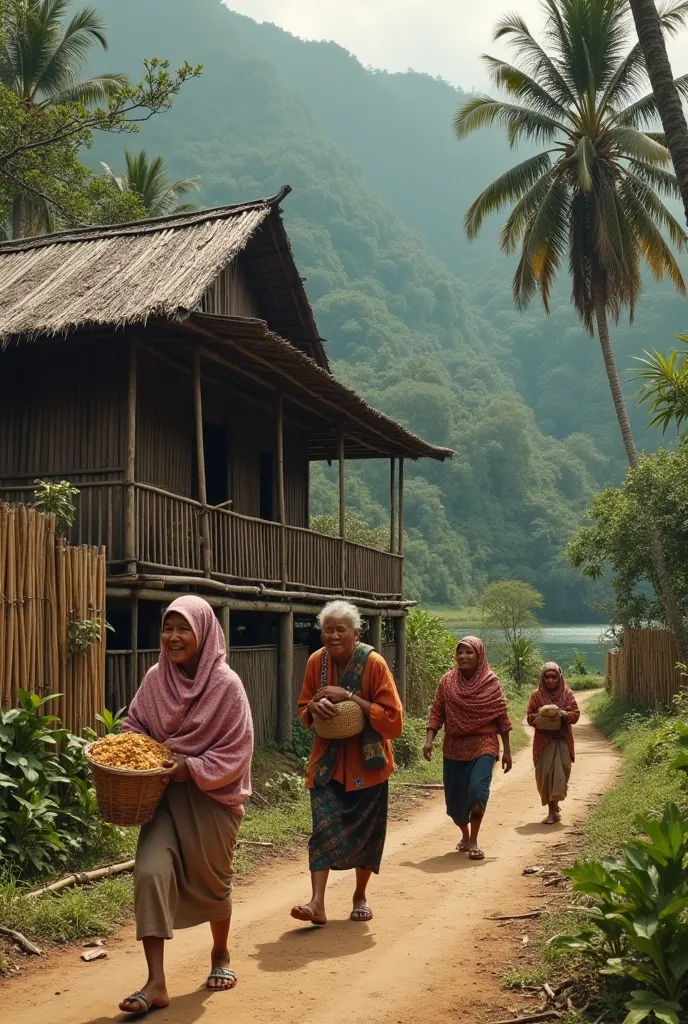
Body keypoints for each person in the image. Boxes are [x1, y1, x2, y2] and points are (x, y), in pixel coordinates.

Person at [118, 595, 254, 1016]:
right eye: (167, 628)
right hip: (161, 795)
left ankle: (220, 953)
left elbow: (238, 751)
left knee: (213, 883)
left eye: (183, 629)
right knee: (149, 874)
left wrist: (190, 766)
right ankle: (155, 982)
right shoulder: (156, 678)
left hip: (211, 796)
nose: (173, 637)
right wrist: (130, 751)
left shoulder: (226, 686)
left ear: (204, 632)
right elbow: (135, 724)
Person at [292, 600, 403, 926]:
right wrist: (314, 707)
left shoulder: (374, 664)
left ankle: (360, 895)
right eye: (328, 629)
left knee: (367, 835)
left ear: (356, 633)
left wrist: (351, 698)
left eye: (341, 630)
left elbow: (394, 720)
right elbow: (303, 710)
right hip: (327, 764)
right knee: (322, 832)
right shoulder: (316, 662)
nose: (334, 635)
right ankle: (317, 903)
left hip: (368, 767)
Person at [424, 636, 512, 860]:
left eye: (469, 652)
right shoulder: (447, 681)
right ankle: (464, 834)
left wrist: (508, 751)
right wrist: (429, 739)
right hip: (454, 746)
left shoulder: (491, 682)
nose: (463, 656)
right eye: (460, 652)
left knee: (476, 791)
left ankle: (474, 840)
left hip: (484, 743)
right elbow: (437, 711)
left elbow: (502, 716)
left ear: (479, 655)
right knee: (455, 802)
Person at [527, 662, 580, 825]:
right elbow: (529, 717)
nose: (550, 680)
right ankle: (551, 812)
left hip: (562, 739)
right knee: (547, 775)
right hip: (544, 742)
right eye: (547, 677)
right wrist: (542, 716)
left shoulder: (567, 694)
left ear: (559, 678)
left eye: (553, 677)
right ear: (542, 678)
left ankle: (555, 805)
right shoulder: (536, 695)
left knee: (561, 774)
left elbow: (575, 715)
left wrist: (562, 714)